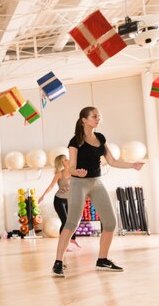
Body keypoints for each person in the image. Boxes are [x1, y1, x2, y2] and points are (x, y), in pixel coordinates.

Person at [51, 107, 144, 277]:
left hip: (97, 183)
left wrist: (132, 165)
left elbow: (113, 161)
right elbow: (71, 167)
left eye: (99, 116)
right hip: (79, 183)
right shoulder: (75, 141)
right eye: (94, 116)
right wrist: (76, 172)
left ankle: (102, 260)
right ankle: (58, 262)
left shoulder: (101, 138)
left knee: (110, 223)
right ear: (84, 120)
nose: (98, 118)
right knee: (72, 223)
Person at [38, 154, 81, 251]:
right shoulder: (59, 174)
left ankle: (73, 239)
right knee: (65, 221)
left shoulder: (73, 172)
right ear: (61, 163)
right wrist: (43, 196)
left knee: (72, 221)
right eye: (66, 160)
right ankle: (63, 245)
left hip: (70, 200)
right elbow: (50, 186)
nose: (68, 160)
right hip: (59, 200)